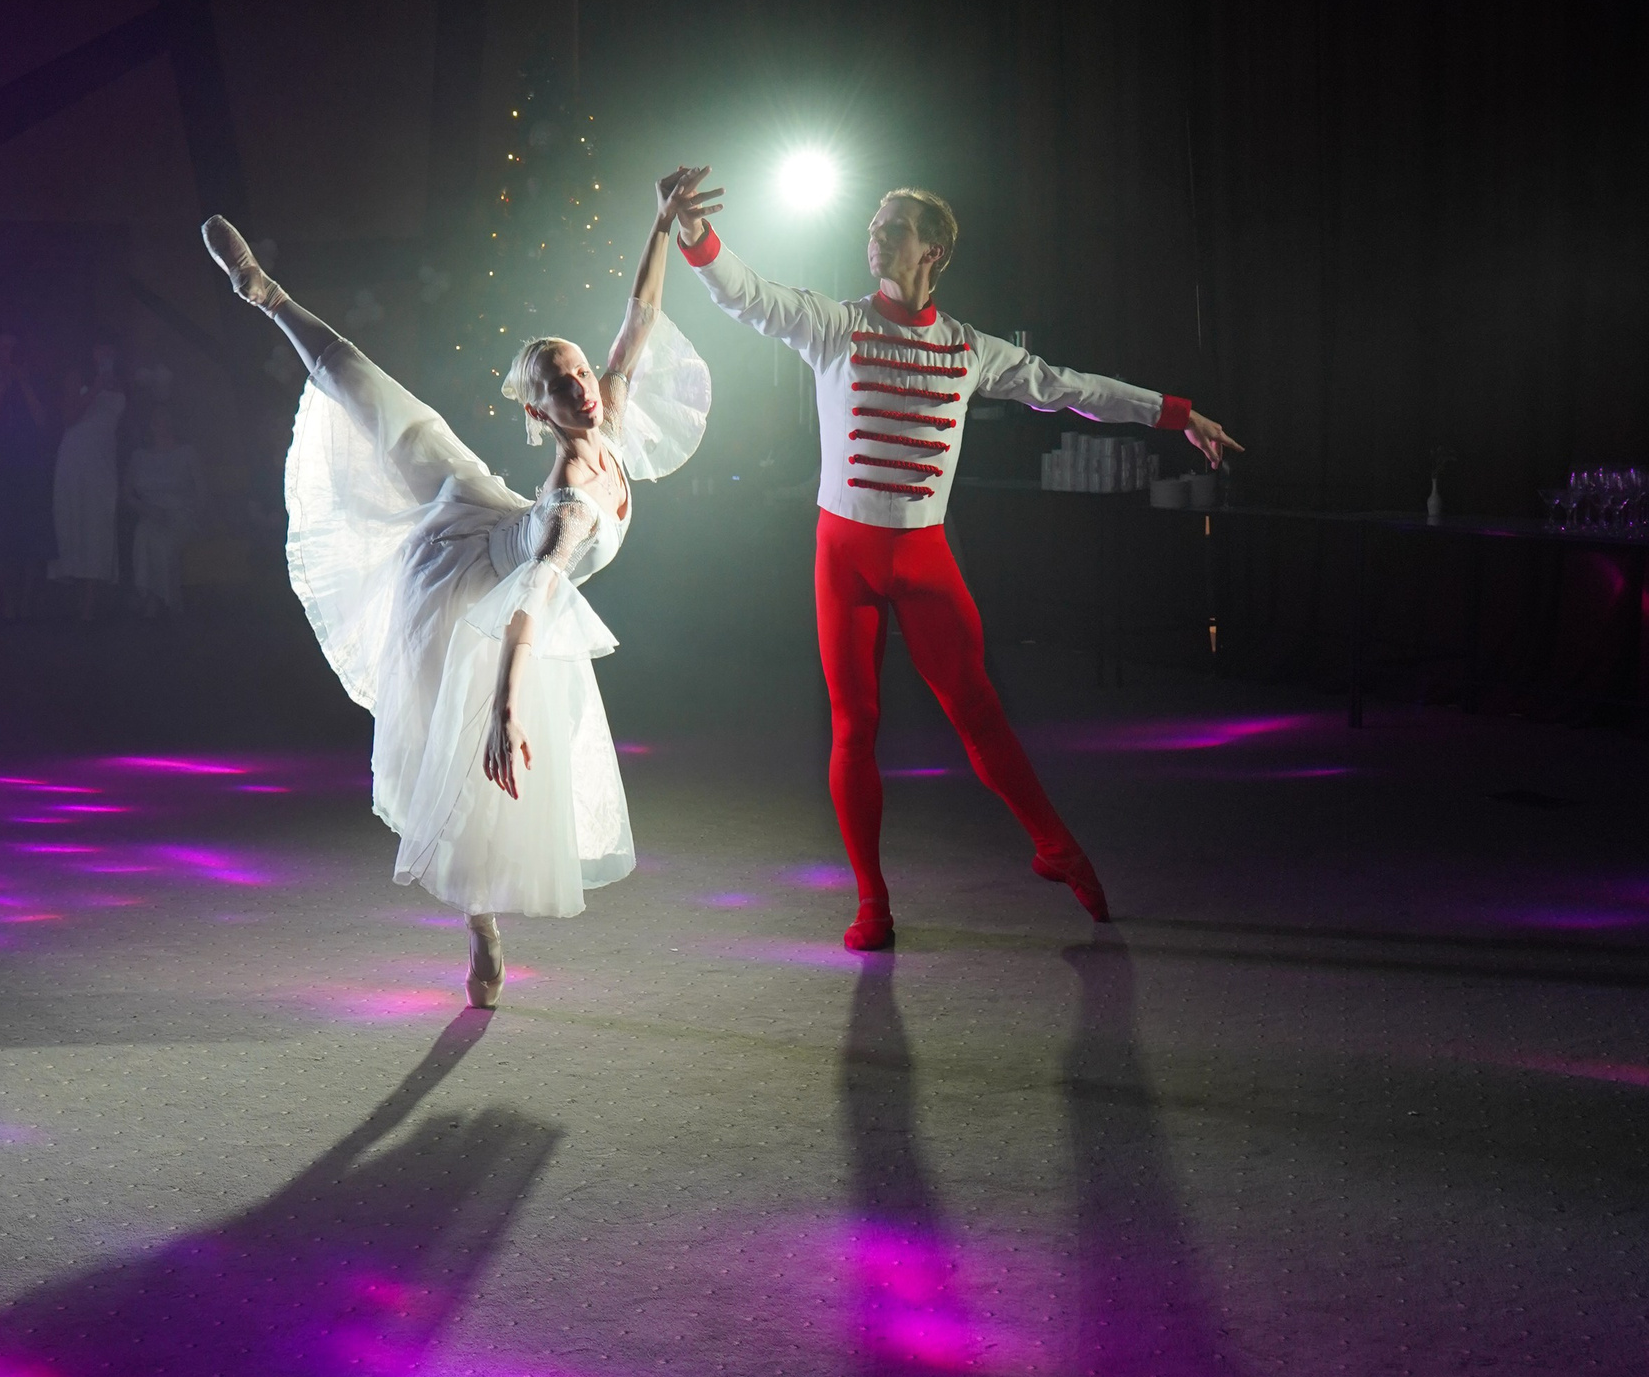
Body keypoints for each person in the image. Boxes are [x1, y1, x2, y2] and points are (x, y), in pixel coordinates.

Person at [669, 178, 1241, 944]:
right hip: (845, 555)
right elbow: (749, 297)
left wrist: (1175, 414)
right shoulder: (836, 325)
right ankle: (872, 902)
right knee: (854, 726)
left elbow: (1068, 389)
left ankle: (1056, 847)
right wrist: (697, 237)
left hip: (924, 555)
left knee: (979, 715)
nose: (875, 236)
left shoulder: (969, 349)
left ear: (932, 250)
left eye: (894, 227)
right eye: (874, 224)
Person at [200, 177, 711, 1007]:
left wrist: (660, 226)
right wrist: (504, 710)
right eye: (559, 383)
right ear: (539, 411)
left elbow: (641, 317)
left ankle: (482, 926)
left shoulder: (608, 413)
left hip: (488, 519)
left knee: (419, 434)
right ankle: (266, 294)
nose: (582, 385)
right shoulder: (572, 495)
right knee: (386, 408)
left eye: (580, 370)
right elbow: (528, 604)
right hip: (472, 587)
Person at [0, 328, 55, 621]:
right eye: (4, 348)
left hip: (28, 467)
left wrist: (22, 383)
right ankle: (8, 602)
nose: (9, 355)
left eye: (14, 349)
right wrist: (2, 387)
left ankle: (27, 602)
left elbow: (43, 421)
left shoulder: (34, 382)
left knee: (31, 535)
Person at [50, 336, 126, 622]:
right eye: (101, 347)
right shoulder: (77, 377)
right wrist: (95, 387)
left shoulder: (122, 382)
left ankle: (91, 607)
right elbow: (68, 417)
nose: (105, 353)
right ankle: (74, 604)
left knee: (98, 526)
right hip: (76, 458)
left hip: (103, 460)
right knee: (74, 523)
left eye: (110, 348)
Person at [125, 405, 207, 619]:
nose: (162, 425)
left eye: (166, 420)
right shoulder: (139, 457)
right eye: (157, 421)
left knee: (164, 543)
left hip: (182, 515)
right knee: (143, 536)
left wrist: (195, 516)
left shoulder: (187, 453)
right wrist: (145, 509)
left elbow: (202, 493)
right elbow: (127, 494)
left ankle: (166, 601)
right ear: (150, 425)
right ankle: (150, 596)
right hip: (150, 515)